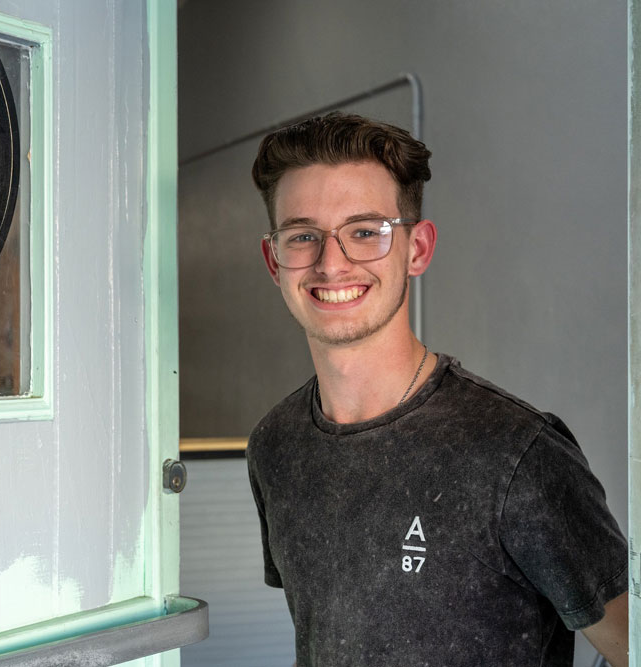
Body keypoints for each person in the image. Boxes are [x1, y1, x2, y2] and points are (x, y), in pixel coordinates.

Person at [246, 112, 629, 666]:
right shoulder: (274, 446)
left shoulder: (516, 456)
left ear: (418, 249)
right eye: (303, 236)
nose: (333, 264)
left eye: (365, 232)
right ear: (273, 259)